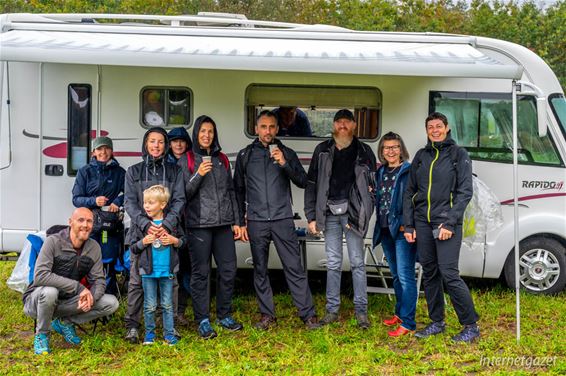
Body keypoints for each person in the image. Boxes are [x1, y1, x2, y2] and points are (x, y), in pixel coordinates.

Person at [233, 110, 320, 330]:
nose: (268, 131)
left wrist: (284, 163)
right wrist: (240, 222)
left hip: (282, 218)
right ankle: (267, 316)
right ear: (256, 129)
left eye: (272, 127)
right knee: (260, 269)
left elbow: (303, 181)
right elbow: (238, 191)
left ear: (277, 129)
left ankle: (308, 316)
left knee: (294, 267)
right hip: (256, 220)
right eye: (264, 127)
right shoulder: (245, 155)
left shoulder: (287, 152)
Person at [403, 112, 480, 343]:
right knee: (429, 273)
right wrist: (409, 225)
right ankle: (437, 322)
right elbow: (410, 191)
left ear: (447, 128)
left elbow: (465, 191)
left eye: (439, 126)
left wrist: (450, 221)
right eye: (430, 127)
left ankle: (470, 325)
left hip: (446, 222)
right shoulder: (421, 155)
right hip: (422, 222)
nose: (434, 130)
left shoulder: (459, 154)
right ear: (426, 130)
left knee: (449, 274)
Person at [304, 109, 377, 329]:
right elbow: (312, 184)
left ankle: (361, 312)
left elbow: (374, 185)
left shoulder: (364, 151)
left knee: (357, 263)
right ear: (333, 125)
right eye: (339, 122)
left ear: (354, 126)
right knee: (333, 263)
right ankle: (331, 311)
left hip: (353, 214)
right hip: (328, 214)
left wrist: (366, 209)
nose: (342, 125)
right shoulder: (322, 150)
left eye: (347, 122)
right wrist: (311, 215)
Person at [178, 115, 243, 339]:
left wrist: (237, 221)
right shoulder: (186, 159)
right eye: (203, 131)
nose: (207, 135)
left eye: (211, 132)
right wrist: (198, 174)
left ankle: (224, 315)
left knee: (228, 270)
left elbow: (231, 192)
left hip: (224, 224)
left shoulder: (222, 159)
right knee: (201, 273)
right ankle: (203, 319)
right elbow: (182, 194)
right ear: (196, 133)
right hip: (198, 225)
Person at [23, 208, 119, 355]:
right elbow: (41, 276)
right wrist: (79, 288)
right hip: (37, 300)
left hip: (68, 302)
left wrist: (91, 297)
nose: (85, 225)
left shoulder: (94, 247)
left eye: (89, 221)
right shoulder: (53, 242)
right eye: (81, 220)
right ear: (70, 222)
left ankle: (65, 322)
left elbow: (99, 280)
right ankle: (42, 335)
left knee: (111, 303)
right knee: (50, 292)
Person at [123, 127, 185, 344]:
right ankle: (132, 325)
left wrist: (167, 224)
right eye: (152, 141)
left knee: (170, 279)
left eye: (160, 142)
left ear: (165, 145)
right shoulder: (133, 171)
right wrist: (145, 224)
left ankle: (169, 325)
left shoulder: (175, 171)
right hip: (141, 233)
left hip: (168, 231)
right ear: (145, 144)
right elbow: (129, 202)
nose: (156, 146)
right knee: (136, 281)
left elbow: (179, 201)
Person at [371, 132, 417, 337]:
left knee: (406, 277)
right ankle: (399, 314)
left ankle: (408, 322)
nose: (390, 151)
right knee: (397, 276)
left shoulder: (408, 171)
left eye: (395, 147)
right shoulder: (380, 172)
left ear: (401, 149)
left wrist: (409, 226)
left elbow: (414, 201)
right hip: (385, 229)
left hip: (401, 230)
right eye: (386, 147)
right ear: (381, 151)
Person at [72, 136, 126, 295]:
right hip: (88, 224)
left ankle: (107, 294)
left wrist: (118, 201)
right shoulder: (84, 171)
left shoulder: (120, 172)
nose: (103, 152)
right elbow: (76, 199)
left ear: (112, 151)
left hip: (109, 227)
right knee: (88, 259)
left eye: (107, 148)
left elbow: (129, 193)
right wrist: (94, 200)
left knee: (107, 258)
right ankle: (85, 293)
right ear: (93, 152)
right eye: (99, 149)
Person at [130, 185, 182, 345]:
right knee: (150, 305)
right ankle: (149, 336)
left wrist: (174, 241)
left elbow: (183, 241)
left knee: (167, 304)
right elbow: (133, 247)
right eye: (145, 202)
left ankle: (169, 335)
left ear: (162, 204)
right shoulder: (141, 225)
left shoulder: (172, 223)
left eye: (151, 203)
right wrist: (143, 242)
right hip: (147, 272)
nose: (146, 206)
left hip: (167, 270)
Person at [166, 126, 193, 326]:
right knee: (169, 269)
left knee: (187, 267)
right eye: (174, 141)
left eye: (182, 141)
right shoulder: (164, 164)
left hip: (189, 221)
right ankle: (166, 311)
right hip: (169, 223)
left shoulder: (193, 161)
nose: (178, 144)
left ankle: (181, 310)